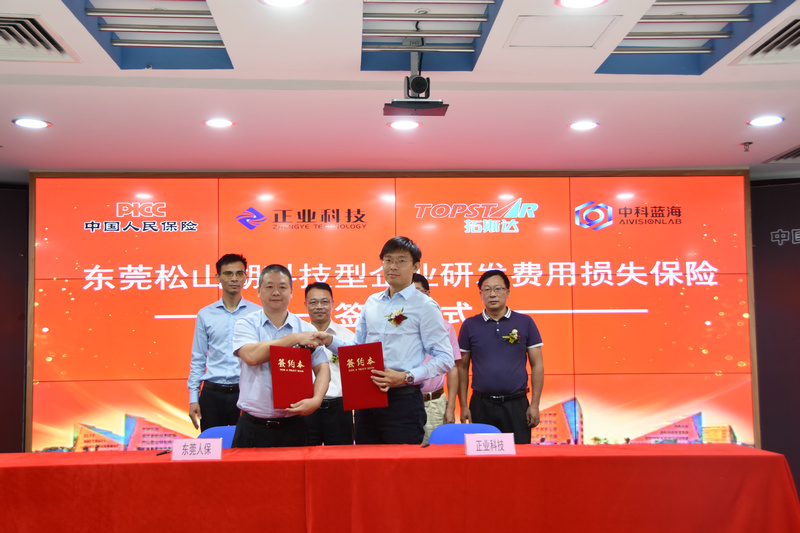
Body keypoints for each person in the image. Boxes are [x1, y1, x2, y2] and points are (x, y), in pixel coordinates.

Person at [313, 236, 454, 445]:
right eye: (388, 260)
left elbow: (445, 358)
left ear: (416, 266)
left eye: (401, 260)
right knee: (366, 461)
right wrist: (329, 340)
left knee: (401, 463)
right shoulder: (372, 302)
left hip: (403, 400)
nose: (392, 266)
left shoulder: (425, 306)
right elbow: (357, 349)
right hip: (367, 398)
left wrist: (406, 376)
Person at [231, 264, 330, 448]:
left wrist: (317, 400)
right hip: (253, 427)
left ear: (291, 292)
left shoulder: (306, 328)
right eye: (269, 286)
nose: (276, 292)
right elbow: (251, 356)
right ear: (259, 291)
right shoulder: (246, 324)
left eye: (282, 287)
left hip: (294, 425)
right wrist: (295, 338)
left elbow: (322, 367)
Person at [458, 269, 544, 445]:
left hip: (516, 404)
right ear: (481, 294)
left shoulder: (525, 322)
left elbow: (537, 366)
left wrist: (534, 404)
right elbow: (462, 368)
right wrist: (464, 406)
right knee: (482, 457)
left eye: (497, 289)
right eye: (487, 290)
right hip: (481, 405)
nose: (492, 294)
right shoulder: (470, 325)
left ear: (507, 292)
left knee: (518, 457)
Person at [188, 253, 261, 432]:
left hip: (246, 392)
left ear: (246, 277)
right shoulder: (205, 314)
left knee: (246, 445)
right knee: (213, 445)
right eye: (228, 274)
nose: (234, 278)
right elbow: (198, 359)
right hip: (212, 395)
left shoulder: (257, 314)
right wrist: (193, 398)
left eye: (239, 273)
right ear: (218, 277)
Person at [303, 282, 356, 445]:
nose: (319, 306)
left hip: (339, 409)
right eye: (313, 302)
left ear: (332, 304)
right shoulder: (298, 335)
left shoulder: (347, 337)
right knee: (305, 456)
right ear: (305, 305)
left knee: (341, 458)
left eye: (324, 302)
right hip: (307, 408)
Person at [412, 273, 461, 445]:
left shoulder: (445, 327)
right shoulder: (397, 328)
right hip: (406, 402)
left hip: (434, 402)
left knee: (434, 452)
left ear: (427, 294)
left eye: (417, 292)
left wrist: (451, 407)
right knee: (408, 453)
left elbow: (453, 368)